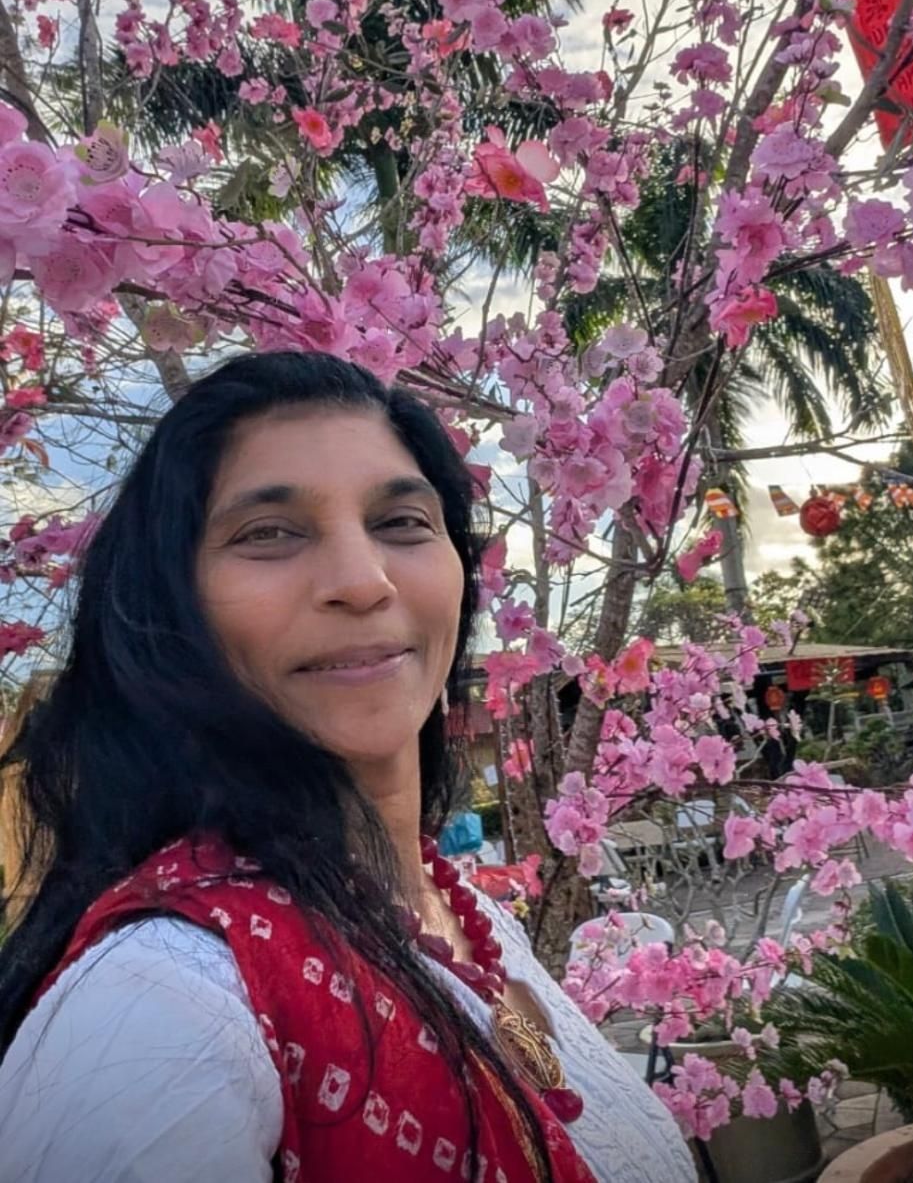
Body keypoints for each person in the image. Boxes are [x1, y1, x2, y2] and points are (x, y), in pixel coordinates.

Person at [0, 351, 695, 1183]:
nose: (362, 582)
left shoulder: (461, 911)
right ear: (167, 607)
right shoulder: (161, 1009)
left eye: (402, 522)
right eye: (269, 533)